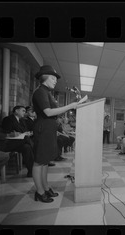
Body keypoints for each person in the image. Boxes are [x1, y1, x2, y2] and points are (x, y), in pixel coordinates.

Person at [32, 65, 80, 203]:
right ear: (44, 77)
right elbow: (47, 112)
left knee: (45, 160)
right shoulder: (40, 92)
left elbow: (54, 111)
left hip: (49, 128)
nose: (55, 81)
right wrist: (71, 105)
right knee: (39, 161)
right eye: (53, 78)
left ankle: (45, 187)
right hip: (43, 129)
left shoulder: (47, 92)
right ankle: (39, 192)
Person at [1, 105, 34, 177]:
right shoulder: (8, 119)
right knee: (27, 140)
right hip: (8, 143)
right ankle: (36, 151)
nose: (24, 113)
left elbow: (24, 131)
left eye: (25, 111)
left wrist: (28, 133)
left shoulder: (22, 120)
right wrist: (13, 134)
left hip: (20, 142)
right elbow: (6, 133)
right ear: (16, 111)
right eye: (23, 111)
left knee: (27, 147)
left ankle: (31, 171)